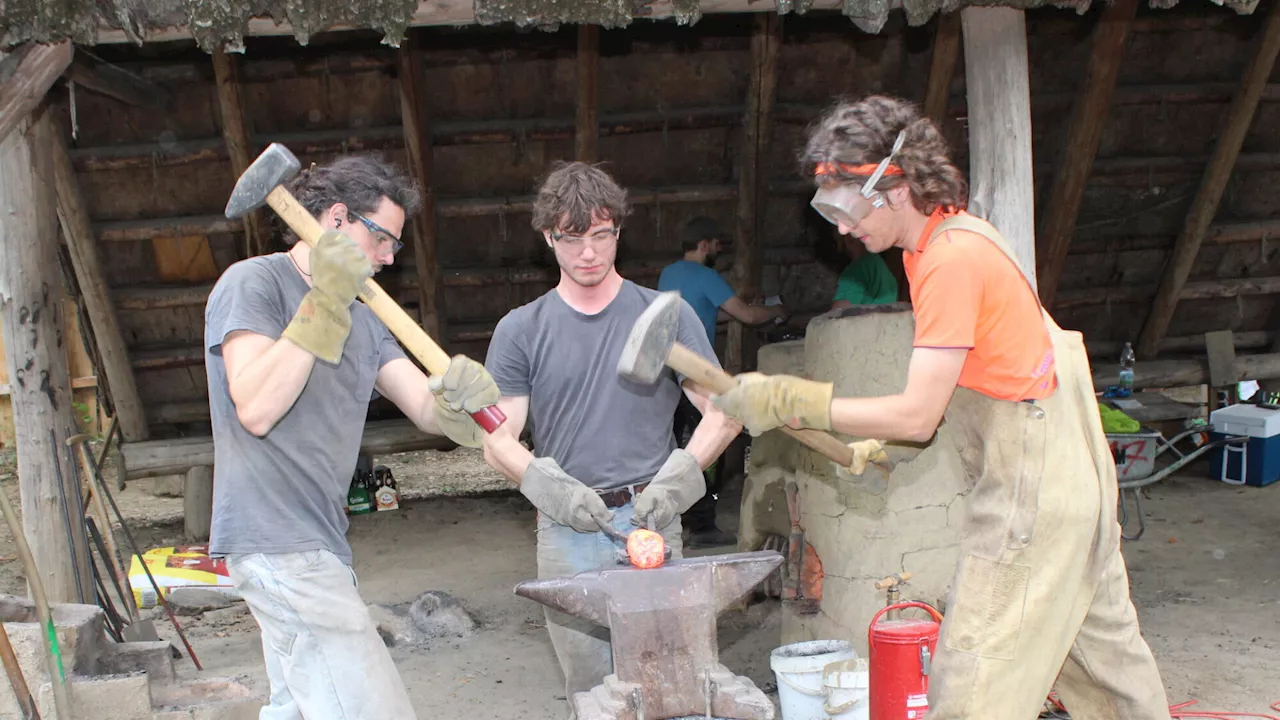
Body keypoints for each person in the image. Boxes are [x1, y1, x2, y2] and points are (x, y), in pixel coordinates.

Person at [710, 96, 1173, 720]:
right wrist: (879, 446)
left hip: (1031, 486)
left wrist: (800, 399)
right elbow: (963, 385)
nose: (841, 229)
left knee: (970, 682)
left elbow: (917, 415)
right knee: (1107, 661)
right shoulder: (944, 242)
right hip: (1068, 474)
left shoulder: (951, 260)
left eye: (846, 208)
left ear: (894, 185)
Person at [204, 154, 501, 720]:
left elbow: (422, 407)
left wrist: (459, 406)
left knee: (299, 706)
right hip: (276, 540)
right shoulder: (255, 283)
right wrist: (324, 303)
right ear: (337, 219)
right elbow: (258, 407)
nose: (390, 257)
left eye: (396, 246)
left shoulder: (367, 318)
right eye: (384, 238)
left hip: (321, 541)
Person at [480, 162, 740, 714]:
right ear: (549, 237)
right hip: (568, 528)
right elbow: (498, 439)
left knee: (675, 678)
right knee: (592, 691)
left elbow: (724, 413)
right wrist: (545, 486)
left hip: (653, 517)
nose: (589, 253)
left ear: (618, 230)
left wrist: (679, 481)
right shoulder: (521, 329)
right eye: (572, 239)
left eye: (601, 235)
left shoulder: (664, 317)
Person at [657, 216, 787, 547]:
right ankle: (702, 527)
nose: (717, 250)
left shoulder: (669, 274)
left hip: (664, 372)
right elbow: (746, 316)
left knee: (670, 445)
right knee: (708, 444)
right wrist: (775, 311)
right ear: (704, 245)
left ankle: (666, 518)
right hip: (695, 375)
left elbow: (711, 311)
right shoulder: (707, 275)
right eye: (715, 244)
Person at [830, 232, 898, 310]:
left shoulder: (855, 270)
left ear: (849, 240)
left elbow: (840, 310)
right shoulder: (880, 265)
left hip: (863, 321)